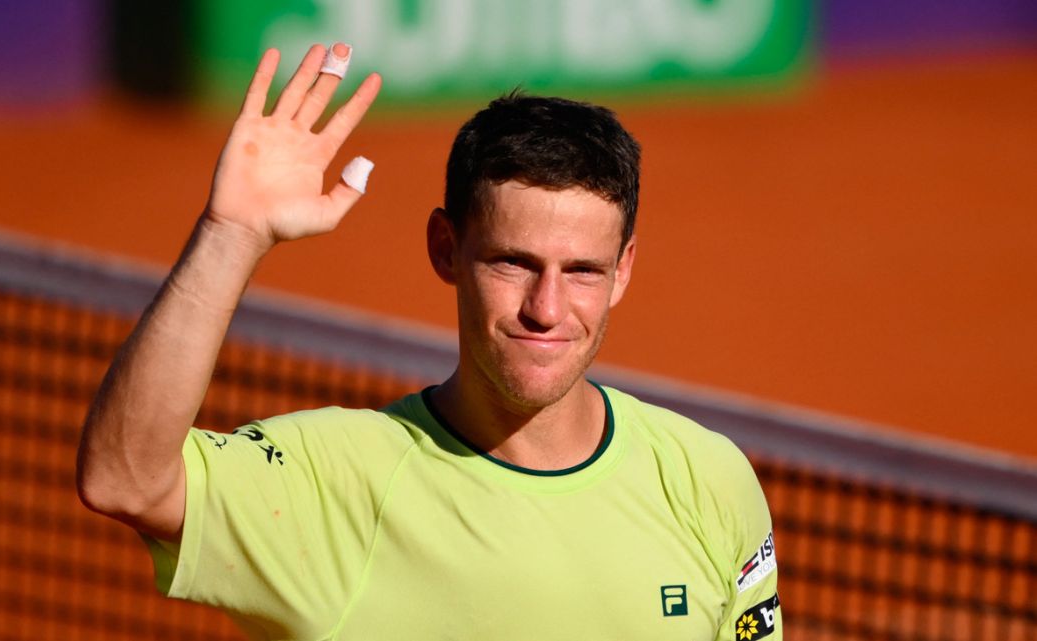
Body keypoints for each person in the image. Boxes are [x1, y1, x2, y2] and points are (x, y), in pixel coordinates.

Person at [77, 42, 781, 641]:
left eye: (583, 271)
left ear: (622, 270)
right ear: (445, 249)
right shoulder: (338, 490)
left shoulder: (708, 483)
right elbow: (124, 478)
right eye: (513, 262)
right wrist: (230, 236)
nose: (547, 307)